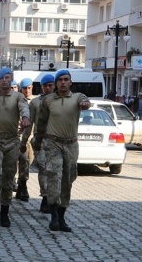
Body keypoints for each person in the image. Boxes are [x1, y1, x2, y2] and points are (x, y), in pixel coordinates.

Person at [33, 69, 90, 232]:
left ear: (70, 82)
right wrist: (37, 142)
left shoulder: (77, 97)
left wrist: (85, 104)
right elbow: (42, 123)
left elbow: (85, 101)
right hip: (53, 144)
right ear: (56, 83)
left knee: (68, 180)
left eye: (66, 80)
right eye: (60, 80)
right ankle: (53, 216)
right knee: (53, 177)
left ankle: (62, 215)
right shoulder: (48, 100)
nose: (63, 82)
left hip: (71, 145)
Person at [0, 67, 30, 227]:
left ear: (11, 80)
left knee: (9, 177)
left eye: (7, 77)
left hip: (11, 142)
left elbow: (24, 108)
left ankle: (5, 212)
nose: (4, 80)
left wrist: (25, 118)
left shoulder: (17, 96)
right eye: (2, 78)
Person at [22, 74, 54, 214]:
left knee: (54, 171)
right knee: (43, 168)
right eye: (45, 85)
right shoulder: (34, 103)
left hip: (56, 141)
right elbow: (29, 125)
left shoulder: (58, 101)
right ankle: (45, 197)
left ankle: (54, 197)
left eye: (50, 85)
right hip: (40, 140)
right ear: (41, 87)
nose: (48, 88)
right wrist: (24, 141)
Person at [15, 78, 35, 202]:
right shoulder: (17, 100)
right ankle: (22, 186)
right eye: (24, 88)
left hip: (31, 136)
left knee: (28, 161)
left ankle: (21, 182)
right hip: (18, 135)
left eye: (29, 88)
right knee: (23, 158)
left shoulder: (35, 101)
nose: (27, 91)